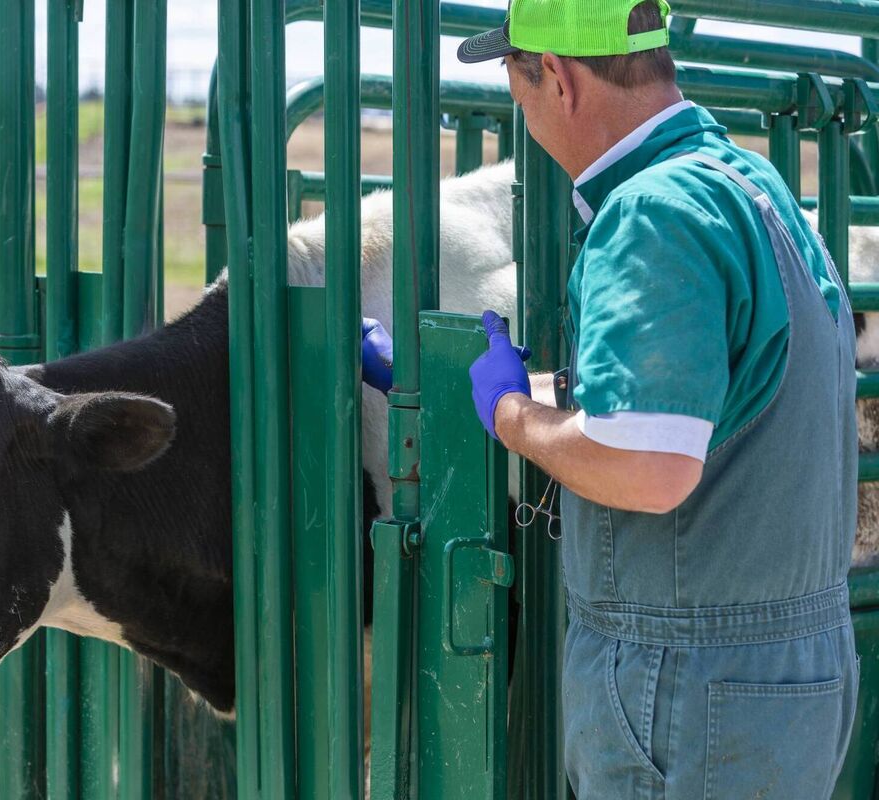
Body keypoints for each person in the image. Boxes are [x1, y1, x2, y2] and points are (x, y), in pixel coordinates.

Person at [364, 0, 859, 796]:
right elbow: (702, 406)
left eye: (516, 96)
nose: (524, 118)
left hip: (688, 688)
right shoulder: (748, 184)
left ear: (556, 78)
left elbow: (650, 467)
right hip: (786, 672)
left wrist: (509, 415)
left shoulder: (653, 213)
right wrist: (529, 395)